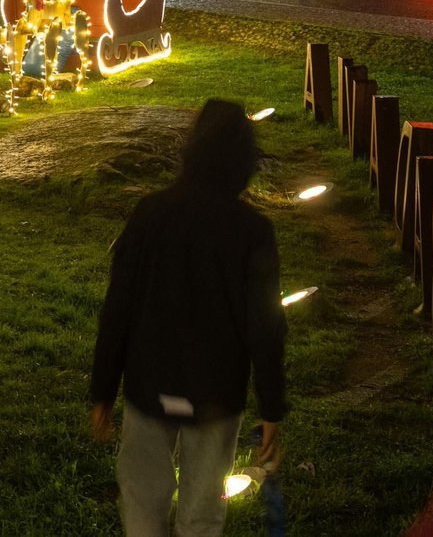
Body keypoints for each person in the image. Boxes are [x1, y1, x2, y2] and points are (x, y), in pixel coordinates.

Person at [90, 99, 287, 537]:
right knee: (202, 511)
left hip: (150, 382)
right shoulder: (253, 232)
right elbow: (265, 327)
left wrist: (103, 388)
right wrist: (271, 407)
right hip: (216, 393)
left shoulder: (149, 214)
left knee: (143, 498)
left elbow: (118, 306)